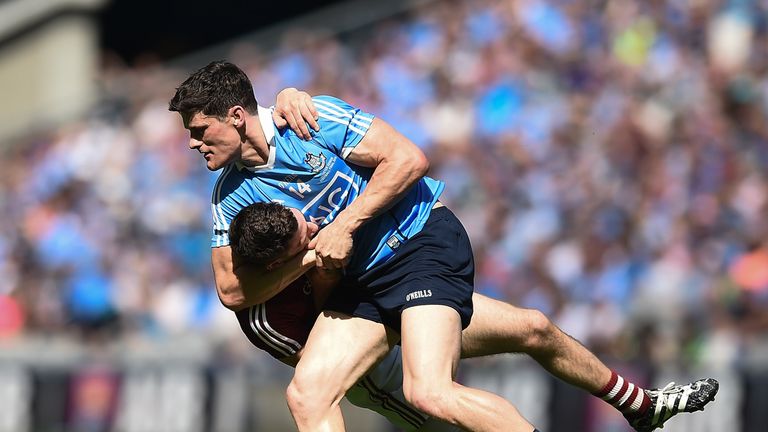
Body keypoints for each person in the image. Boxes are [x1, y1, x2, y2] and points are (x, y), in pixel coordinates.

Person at [168, 61, 714, 432]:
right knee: (308, 395)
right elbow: (231, 288)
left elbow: (408, 159)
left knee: (430, 391)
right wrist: (315, 255)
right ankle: (641, 408)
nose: (194, 143)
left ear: (237, 116)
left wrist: (347, 224)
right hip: (363, 286)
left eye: (199, 129)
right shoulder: (229, 191)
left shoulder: (309, 119)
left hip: (419, 247)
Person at [230, 201, 720, 432]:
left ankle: (639, 405)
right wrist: (323, 273)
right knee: (436, 403)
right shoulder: (266, 319)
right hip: (375, 354)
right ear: (280, 264)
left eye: (308, 220)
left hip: (385, 295)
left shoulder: (293, 226)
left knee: (535, 327)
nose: (318, 227)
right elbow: (324, 356)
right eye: (306, 235)